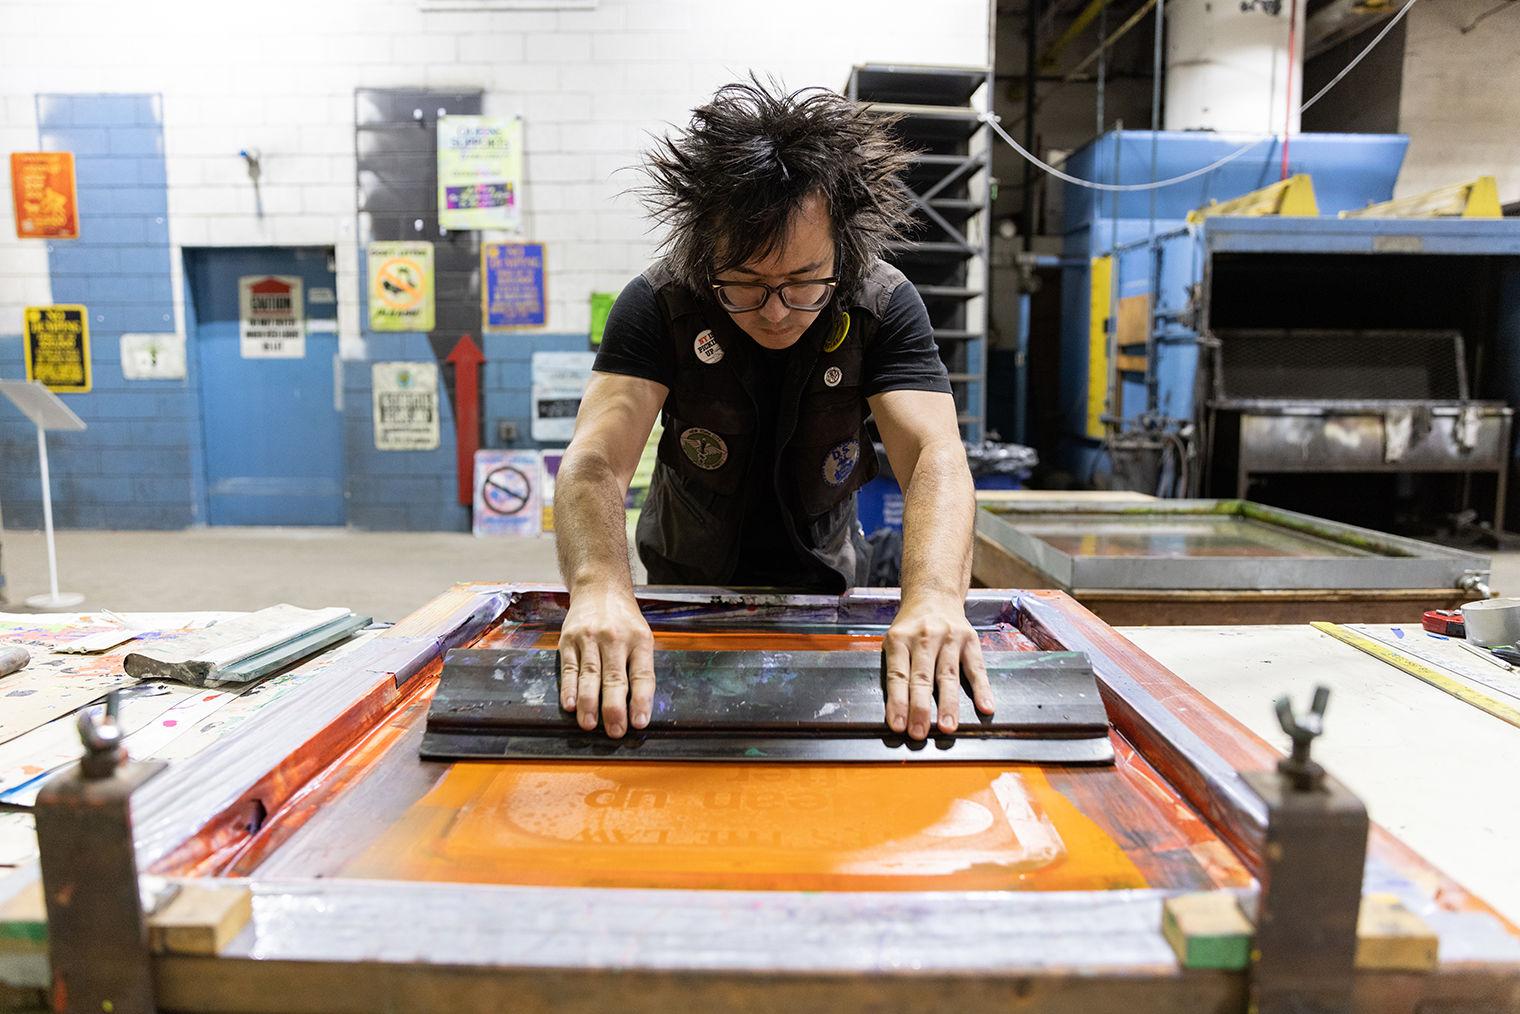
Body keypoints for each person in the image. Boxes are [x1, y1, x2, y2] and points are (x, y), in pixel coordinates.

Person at [553, 78, 991, 742]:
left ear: (841, 251)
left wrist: (933, 595)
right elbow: (594, 463)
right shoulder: (659, 303)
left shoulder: (882, 303)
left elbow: (936, 456)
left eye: (802, 281)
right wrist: (599, 585)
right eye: (747, 284)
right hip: (683, 592)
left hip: (827, 589)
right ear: (706, 253)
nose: (777, 310)